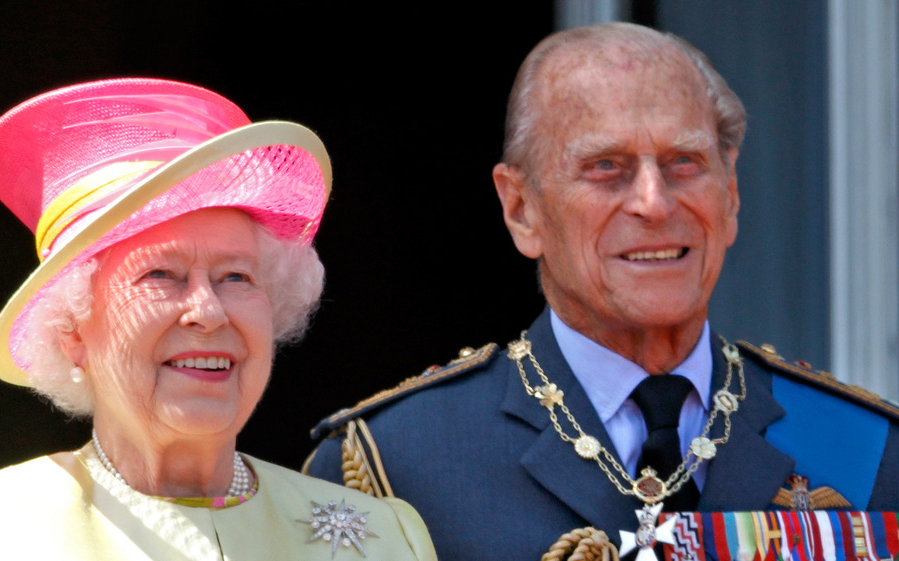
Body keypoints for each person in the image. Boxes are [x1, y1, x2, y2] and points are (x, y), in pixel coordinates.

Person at [305, 22, 899, 561]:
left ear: (732, 194)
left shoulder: (867, 449)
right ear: (521, 210)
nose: (654, 202)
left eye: (684, 161)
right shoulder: (396, 465)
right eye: (605, 167)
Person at [0, 78, 437, 561]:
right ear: (72, 332)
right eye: (161, 275)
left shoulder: (384, 536)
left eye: (236, 277)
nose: (208, 313)